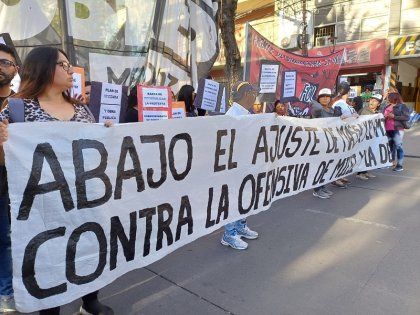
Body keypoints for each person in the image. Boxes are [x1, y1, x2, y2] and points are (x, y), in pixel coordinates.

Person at [0, 46, 114, 315]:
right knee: (48, 256)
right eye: (63, 65)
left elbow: (96, 151)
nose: (70, 70)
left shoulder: (82, 110)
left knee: (86, 245)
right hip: (42, 206)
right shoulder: (16, 110)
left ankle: (89, 300)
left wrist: (107, 133)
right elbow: (4, 162)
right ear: (44, 69)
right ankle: (49, 307)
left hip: (83, 198)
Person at [221, 80, 259, 250]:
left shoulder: (246, 113)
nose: (255, 95)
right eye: (253, 92)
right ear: (246, 94)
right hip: (235, 166)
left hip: (245, 164)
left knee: (244, 197)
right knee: (233, 198)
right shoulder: (232, 115)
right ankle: (228, 234)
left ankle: (240, 226)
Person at [0, 43, 19, 314]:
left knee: (5, 240)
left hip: (7, 185)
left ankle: (6, 293)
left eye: (5, 62)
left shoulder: (21, 105)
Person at [331, 82, 358, 188]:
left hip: (346, 133)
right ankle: (335, 177)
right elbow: (337, 118)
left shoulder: (342, 103)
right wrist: (351, 116)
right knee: (339, 156)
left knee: (344, 156)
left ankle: (341, 175)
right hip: (339, 133)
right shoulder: (339, 104)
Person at [310, 88, 336, 199]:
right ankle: (317, 189)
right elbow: (316, 107)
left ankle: (323, 186)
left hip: (329, 143)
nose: (325, 98)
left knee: (326, 166)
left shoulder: (332, 111)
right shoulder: (317, 109)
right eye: (323, 96)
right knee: (319, 167)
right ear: (319, 98)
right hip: (318, 142)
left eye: (327, 96)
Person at [356, 93, 382, 180]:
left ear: (378, 104)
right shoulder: (365, 111)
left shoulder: (377, 113)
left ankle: (365, 171)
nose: (372, 102)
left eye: (375, 101)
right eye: (371, 100)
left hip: (372, 137)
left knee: (369, 154)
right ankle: (360, 173)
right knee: (363, 155)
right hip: (363, 137)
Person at [383, 92, 410, 172]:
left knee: (398, 147)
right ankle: (391, 162)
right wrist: (384, 116)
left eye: (388, 97)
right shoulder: (387, 106)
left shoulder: (402, 106)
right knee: (389, 147)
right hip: (388, 129)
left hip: (397, 129)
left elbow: (406, 117)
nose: (387, 98)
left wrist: (394, 116)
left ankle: (399, 165)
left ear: (393, 97)